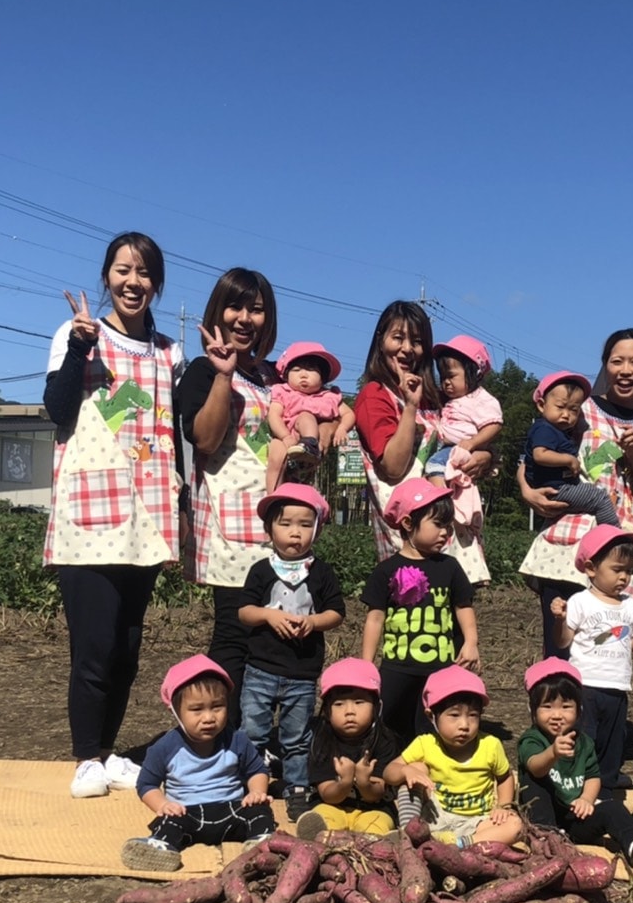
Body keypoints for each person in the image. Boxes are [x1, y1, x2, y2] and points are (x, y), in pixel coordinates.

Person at [43, 231, 184, 800]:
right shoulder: (80, 336)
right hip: (90, 513)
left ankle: (109, 751)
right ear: (106, 278)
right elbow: (56, 410)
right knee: (94, 645)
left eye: (144, 273)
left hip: (146, 514)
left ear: (157, 283)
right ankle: (85, 757)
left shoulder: (171, 351)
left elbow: (170, 430)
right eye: (123, 271)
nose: (133, 282)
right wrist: (79, 349)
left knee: (128, 645)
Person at [519, 328, 633, 657]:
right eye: (617, 361)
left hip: (619, 553)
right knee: (560, 650)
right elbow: (530, 451)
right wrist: (526, 491)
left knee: (607, 653)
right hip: (567, 545)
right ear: (605, 365)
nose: (625, 370)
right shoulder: (576, 409)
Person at [175, 268, 280, 726]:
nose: (244, 318)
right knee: (235, 637)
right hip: (228, 525)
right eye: (235, 307)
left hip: (275, 525)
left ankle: (257, 739)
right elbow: (205, 439)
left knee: (273, 641)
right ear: (217, 312)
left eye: (255, 310)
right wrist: (223, 375)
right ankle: (220, 737)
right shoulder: (202, 370)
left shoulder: (274, 376)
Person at [353, 300, 492, 584]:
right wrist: (410, 407)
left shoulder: (436, 397)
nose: (407, 349)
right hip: (406, 534)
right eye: (398, 338)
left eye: (416, 341)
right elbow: (392, 466)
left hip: (448, 529)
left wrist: (486, 456)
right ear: (381, 341)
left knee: (456, 617)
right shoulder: (374, 395)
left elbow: (467, 438)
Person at [237, 483, 345, 822]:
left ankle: (296, 787)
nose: (294, 533)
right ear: (269, 529)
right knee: (252, 731)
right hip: (260, 669)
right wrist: (269, 614)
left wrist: (314, 622)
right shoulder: (261, 570)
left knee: (296, 736)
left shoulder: (322, 572)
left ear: (317, 529)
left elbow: (336, 613)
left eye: (304, 525)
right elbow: (244, 612)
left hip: (302, 672)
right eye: (285, 524)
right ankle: (249, 782)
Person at [549, 525, 633, 788]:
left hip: (618, 686)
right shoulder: (579, 601)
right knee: (584, 736)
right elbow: (563, 641)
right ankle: (577, 782)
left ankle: (606, 784)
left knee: (613, 739)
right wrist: (560, 620)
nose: (624, 577)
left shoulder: (630, 606)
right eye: (617, 569)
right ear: (590, 568)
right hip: (584, 685)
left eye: (629, 571)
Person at [121, 655, 276, 872]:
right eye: (197, 710)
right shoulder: (165, 747)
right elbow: (146, 785)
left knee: (260, 811)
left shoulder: (236, 740)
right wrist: (163, 805)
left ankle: (263, 843)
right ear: (175, 711)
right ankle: (161, 847)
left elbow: (257, 770)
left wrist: (256, 792)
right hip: (187, 813)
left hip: (232, 809)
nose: (209, 717)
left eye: (217, 707)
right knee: (169, 823)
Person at [517, 658, 633, 872]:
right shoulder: (532, 739)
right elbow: (536, 766)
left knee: (612, 807)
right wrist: (552, 753)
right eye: (547, 707)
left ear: (579, 711)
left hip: (574, 819)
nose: (557, 715)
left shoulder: (584, 742)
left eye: (566, 707)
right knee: (535, 782)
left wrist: (587, 799)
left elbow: (593, 776)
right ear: (533, 711)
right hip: (543, 818)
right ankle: (546, 842)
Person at [360, 479, 479, 740]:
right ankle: (389, 773)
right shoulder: (386, 570)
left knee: (433, 727)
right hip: (397, 665)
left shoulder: (450, 567)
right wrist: (367, 665)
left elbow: (463, 607)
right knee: (388, 723)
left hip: (441, 667)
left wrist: (470, 642)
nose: (445, 533)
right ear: (408, 524)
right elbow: (375, 619)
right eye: (438, 525)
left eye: (448, 526)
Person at [384, 665, 523, 847]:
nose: (464, 725)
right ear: (431, 716)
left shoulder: (490, 744)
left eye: (473, 716)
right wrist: (406, 771)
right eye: (454, 715)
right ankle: (409, 832)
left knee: (515, 826)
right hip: (434, 816)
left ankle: (461, 844)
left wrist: (504, 806)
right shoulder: (425, 743)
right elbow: (388, 772)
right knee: (415, 769)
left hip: (477, 821)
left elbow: (505, 777)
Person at [293, 658, 401, 843]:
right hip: (332, 805)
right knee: (323, 816)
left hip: (373, 808)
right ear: (326, 710)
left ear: (376, 706)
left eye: (359, 702)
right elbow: (327, 794)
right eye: (339, 704)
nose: (349, 711)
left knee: (377, 823)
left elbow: (376, 795)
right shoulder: (321, 741)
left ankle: (380, 843)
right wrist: (344, 782)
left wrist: (364, 781)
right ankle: (320, 837)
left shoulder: (385, 741)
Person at [424, 334, 503, 531]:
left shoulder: (482, 399)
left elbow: (494, 425)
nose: (446, 383)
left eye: (451, 376)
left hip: (458, 447)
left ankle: (440, 506)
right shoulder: (448, 399)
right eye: (442, 377)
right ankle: (454, 507)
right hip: (452, 447)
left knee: (434, 465)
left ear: (474, 373)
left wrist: (473, 443)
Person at [522, 371, 620, 527]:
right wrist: (569, 460)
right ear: (541, 405)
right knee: (600, 498)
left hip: (556, 487)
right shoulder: (545, 430)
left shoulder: (557, 430)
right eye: (560, 407)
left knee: (592, 493)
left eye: (574, 410)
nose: (566, 415)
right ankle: (612, 534)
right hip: (556, 488)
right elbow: (540, 455)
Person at [265, 341, 354, 493]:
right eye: (297, 370)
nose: (303, 375)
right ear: (286, 375)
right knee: (275, 457)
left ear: (323, 377)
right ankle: (273, 495)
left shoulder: (328, 396)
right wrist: (285, 436)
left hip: (314, 441)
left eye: (311, 370)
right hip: (286, 436)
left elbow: (349, 414)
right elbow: (274, 415)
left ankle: (309, 444)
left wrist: (342, 428)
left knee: (306, 416)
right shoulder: (283, 392)